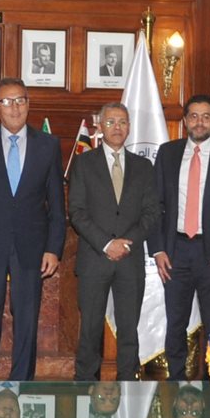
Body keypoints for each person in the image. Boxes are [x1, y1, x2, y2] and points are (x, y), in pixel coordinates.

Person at [0, 78, 66, 381]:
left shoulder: (48, 145)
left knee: (27, 320)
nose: (14, 107)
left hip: (32, 246)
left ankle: (22, 381)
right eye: (6, 101)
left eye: (20, 100)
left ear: (28, 104)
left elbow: (57, 205)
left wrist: (53, 249)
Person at [149, 94, 210, 381]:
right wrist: (158, 249)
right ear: (185, 121)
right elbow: (154, 206)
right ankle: (176, 382)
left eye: (206, 116)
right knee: (175, 324)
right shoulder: (168, 153)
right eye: (193, 116)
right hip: (175, 251)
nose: (199, 122)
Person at [68, 102, 159, 382]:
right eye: (110, 122)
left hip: (130, 261)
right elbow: (77, 212)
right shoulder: (83, 163)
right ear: (100, 127)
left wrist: (126, 242)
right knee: (90, 330)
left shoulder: (144, 167)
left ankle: (128, 384)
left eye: (122, 122)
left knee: (129, 330)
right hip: (95, 259)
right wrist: (107, 244)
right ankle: (84, 384)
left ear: (129, 127)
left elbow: (151, 212)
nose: (117, 127)